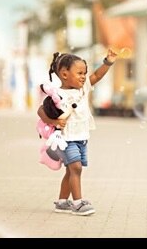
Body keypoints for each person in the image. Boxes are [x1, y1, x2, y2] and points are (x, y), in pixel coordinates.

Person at [37, 49, 117, 216]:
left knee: (70, 170)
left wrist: (108, 62)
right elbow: (40, 111)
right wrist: (54, 122)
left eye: (84, 73)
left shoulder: (82, 89)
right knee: (76, 168)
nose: (84, 76)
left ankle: (61, 202)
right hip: (65, 139)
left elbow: (96, 76)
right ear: (65, 74)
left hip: (81, 138)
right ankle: (78, 203)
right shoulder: (57, 94)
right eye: (79, 73)